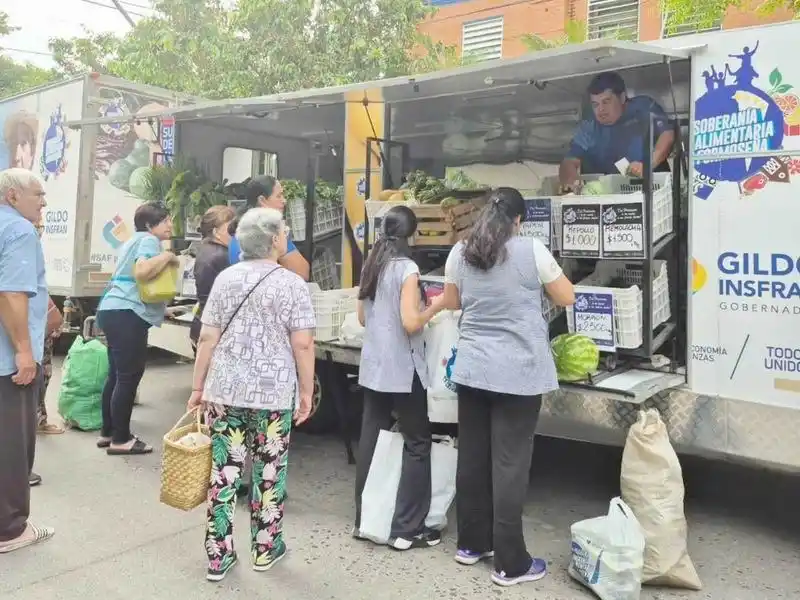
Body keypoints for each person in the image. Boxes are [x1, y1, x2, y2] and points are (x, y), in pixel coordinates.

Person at [440, 188, 575, 587]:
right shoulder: (531, 249)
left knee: (474, 457)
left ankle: (471, 544)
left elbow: (452, 301)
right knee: (510, 464)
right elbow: (565, 295)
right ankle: (510, 563)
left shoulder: (460, 252)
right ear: (519, 220)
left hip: (473, 369)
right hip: (518, 372)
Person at [189, 207, 315, 582]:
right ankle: (266, 548)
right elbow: (304, 344)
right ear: (275, 240)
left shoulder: (227, 279)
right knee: (269, 472)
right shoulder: (292, 284)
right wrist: (306, 393)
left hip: (225, 391)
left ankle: (218, 556)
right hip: (273, 395)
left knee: (224, 474)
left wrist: (198, 386)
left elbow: (207, 337)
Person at [353, 206, 446, 551]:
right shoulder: (407, 268)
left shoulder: (371, 264)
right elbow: (410, 323)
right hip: (403, 370)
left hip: (374, 366)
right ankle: (408, 529)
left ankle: (366, 520)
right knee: (417, 443)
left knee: (371, 439)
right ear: (412, 234)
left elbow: (362, 317)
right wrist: (437, 305)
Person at [0, 168, 54, 553]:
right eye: (38, 194)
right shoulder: (19, 231)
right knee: (13, 445)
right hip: (7, 360)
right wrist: (24, 351)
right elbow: (12, 295)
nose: (43, 201)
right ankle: (10, 528)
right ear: (13, 196)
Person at [96, 202, 178, 455]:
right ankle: (122, 439)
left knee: (117, 375)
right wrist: (168, 256)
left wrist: (161, 309)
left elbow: (133, 280)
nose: (170, 225)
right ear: (150, 225)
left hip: (112, 309)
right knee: (129, 376)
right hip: (126, 314)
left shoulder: (131, 241)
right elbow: (142, 272)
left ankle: (109, 432)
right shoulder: (149, 241)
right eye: (165, 221)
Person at [559, 71, 675, 190]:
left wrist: (648, 165)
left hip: (652, 191)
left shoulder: (643, 108)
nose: (601, 110)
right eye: (595, 104)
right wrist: (571, 179)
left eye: (606, 102)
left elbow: (667, 135)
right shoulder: (589, 125)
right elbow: (569, 161)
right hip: (606, 195)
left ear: (622, 97)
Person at [228, 176, 310, 280]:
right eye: (279, 196)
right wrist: (282, 242)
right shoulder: (271, 232)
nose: (284, 200)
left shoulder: (239, 231)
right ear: (262, 200)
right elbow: (302, 273)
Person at [33, 220, 65, 437]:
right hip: (33, 329)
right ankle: (37, 419)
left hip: (36, 325)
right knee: (39, 374)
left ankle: (38, 418)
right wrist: (53, 317)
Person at [190, 205, 235, 353]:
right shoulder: (222, 256)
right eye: (231, 228)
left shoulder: (205, 250)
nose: (236, 234)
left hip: (202, 322)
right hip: (215, 328)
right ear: (216, 232)